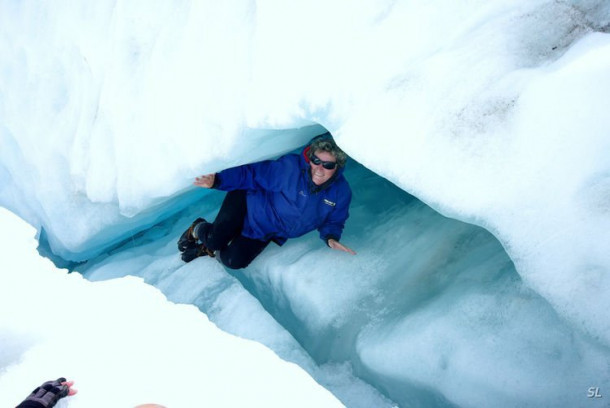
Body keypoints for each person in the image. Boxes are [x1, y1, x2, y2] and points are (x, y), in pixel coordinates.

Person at [177, 133, 356, 268]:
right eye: (316, 160)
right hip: (247, 201)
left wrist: (331, 237)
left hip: (265, 229)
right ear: (310, 158)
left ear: (337, 167)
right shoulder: (290, 169)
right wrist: (218, 180)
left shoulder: (340, 192)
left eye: (328, 165)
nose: (320, 168)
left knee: (233, 261)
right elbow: (253, 173)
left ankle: (208, 248)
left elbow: (335, 220)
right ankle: (197, 228)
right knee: (216, 239)